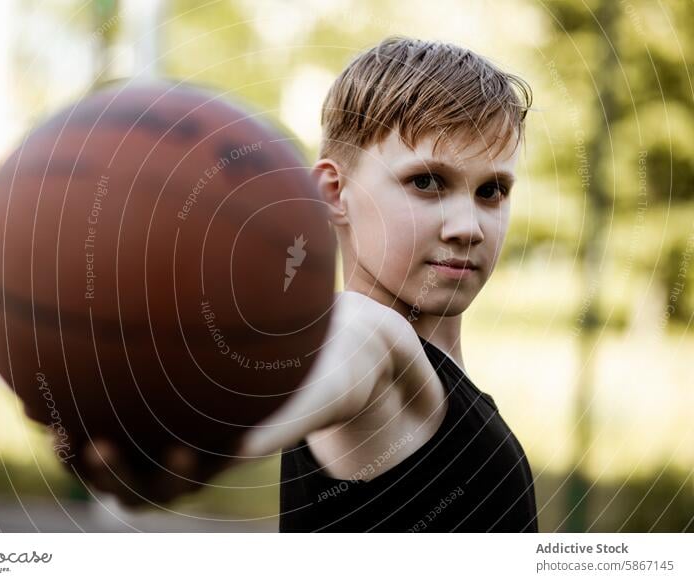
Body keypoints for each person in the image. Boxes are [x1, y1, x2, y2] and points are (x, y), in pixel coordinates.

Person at [77, 35, 537, 532]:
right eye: (426, 182)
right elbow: (347, 353)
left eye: (492, 190)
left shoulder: (444, 386)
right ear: (334, 193)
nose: (468, 226)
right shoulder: (374, 340)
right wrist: (204, 439)